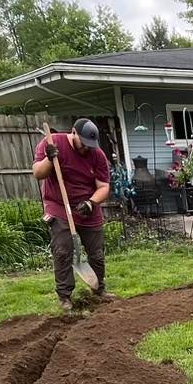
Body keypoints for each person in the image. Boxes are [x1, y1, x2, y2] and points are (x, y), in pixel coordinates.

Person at [32, 118, 113, 312]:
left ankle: (99, 289)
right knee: (63, 251)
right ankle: (65, 296)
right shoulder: (53, 143)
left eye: (90, 146)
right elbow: (38, 173)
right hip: (59, 205)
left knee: (97, 254)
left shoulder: (97, 155)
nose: (87, 149)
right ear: (74, 133)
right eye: (83, 144)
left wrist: (91, 202)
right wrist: (49, 159)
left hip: (87, 205)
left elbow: (104, 187)